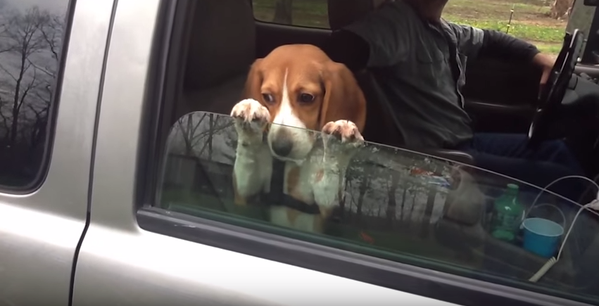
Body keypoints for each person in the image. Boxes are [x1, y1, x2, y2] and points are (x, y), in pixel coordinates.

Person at [322, 0, 587, 201]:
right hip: (441, 158)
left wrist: (543, 61)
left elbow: (492, 40)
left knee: (558, 151)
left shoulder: (441, 28)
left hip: (465, 140)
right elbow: (344, 46)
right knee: (567, 181)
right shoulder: (396, 22)